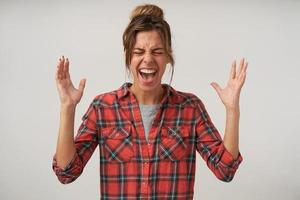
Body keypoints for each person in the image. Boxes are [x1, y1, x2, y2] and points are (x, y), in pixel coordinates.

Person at [52, 4, 247, 200]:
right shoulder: (103, 107)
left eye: (157, 51)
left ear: (168, 56)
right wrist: (67, 108)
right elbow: (67, 173)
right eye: (138, 52)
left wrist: (232, 110)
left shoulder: (190, 108)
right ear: (128, 56)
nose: (148, 59)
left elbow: (225, 170)